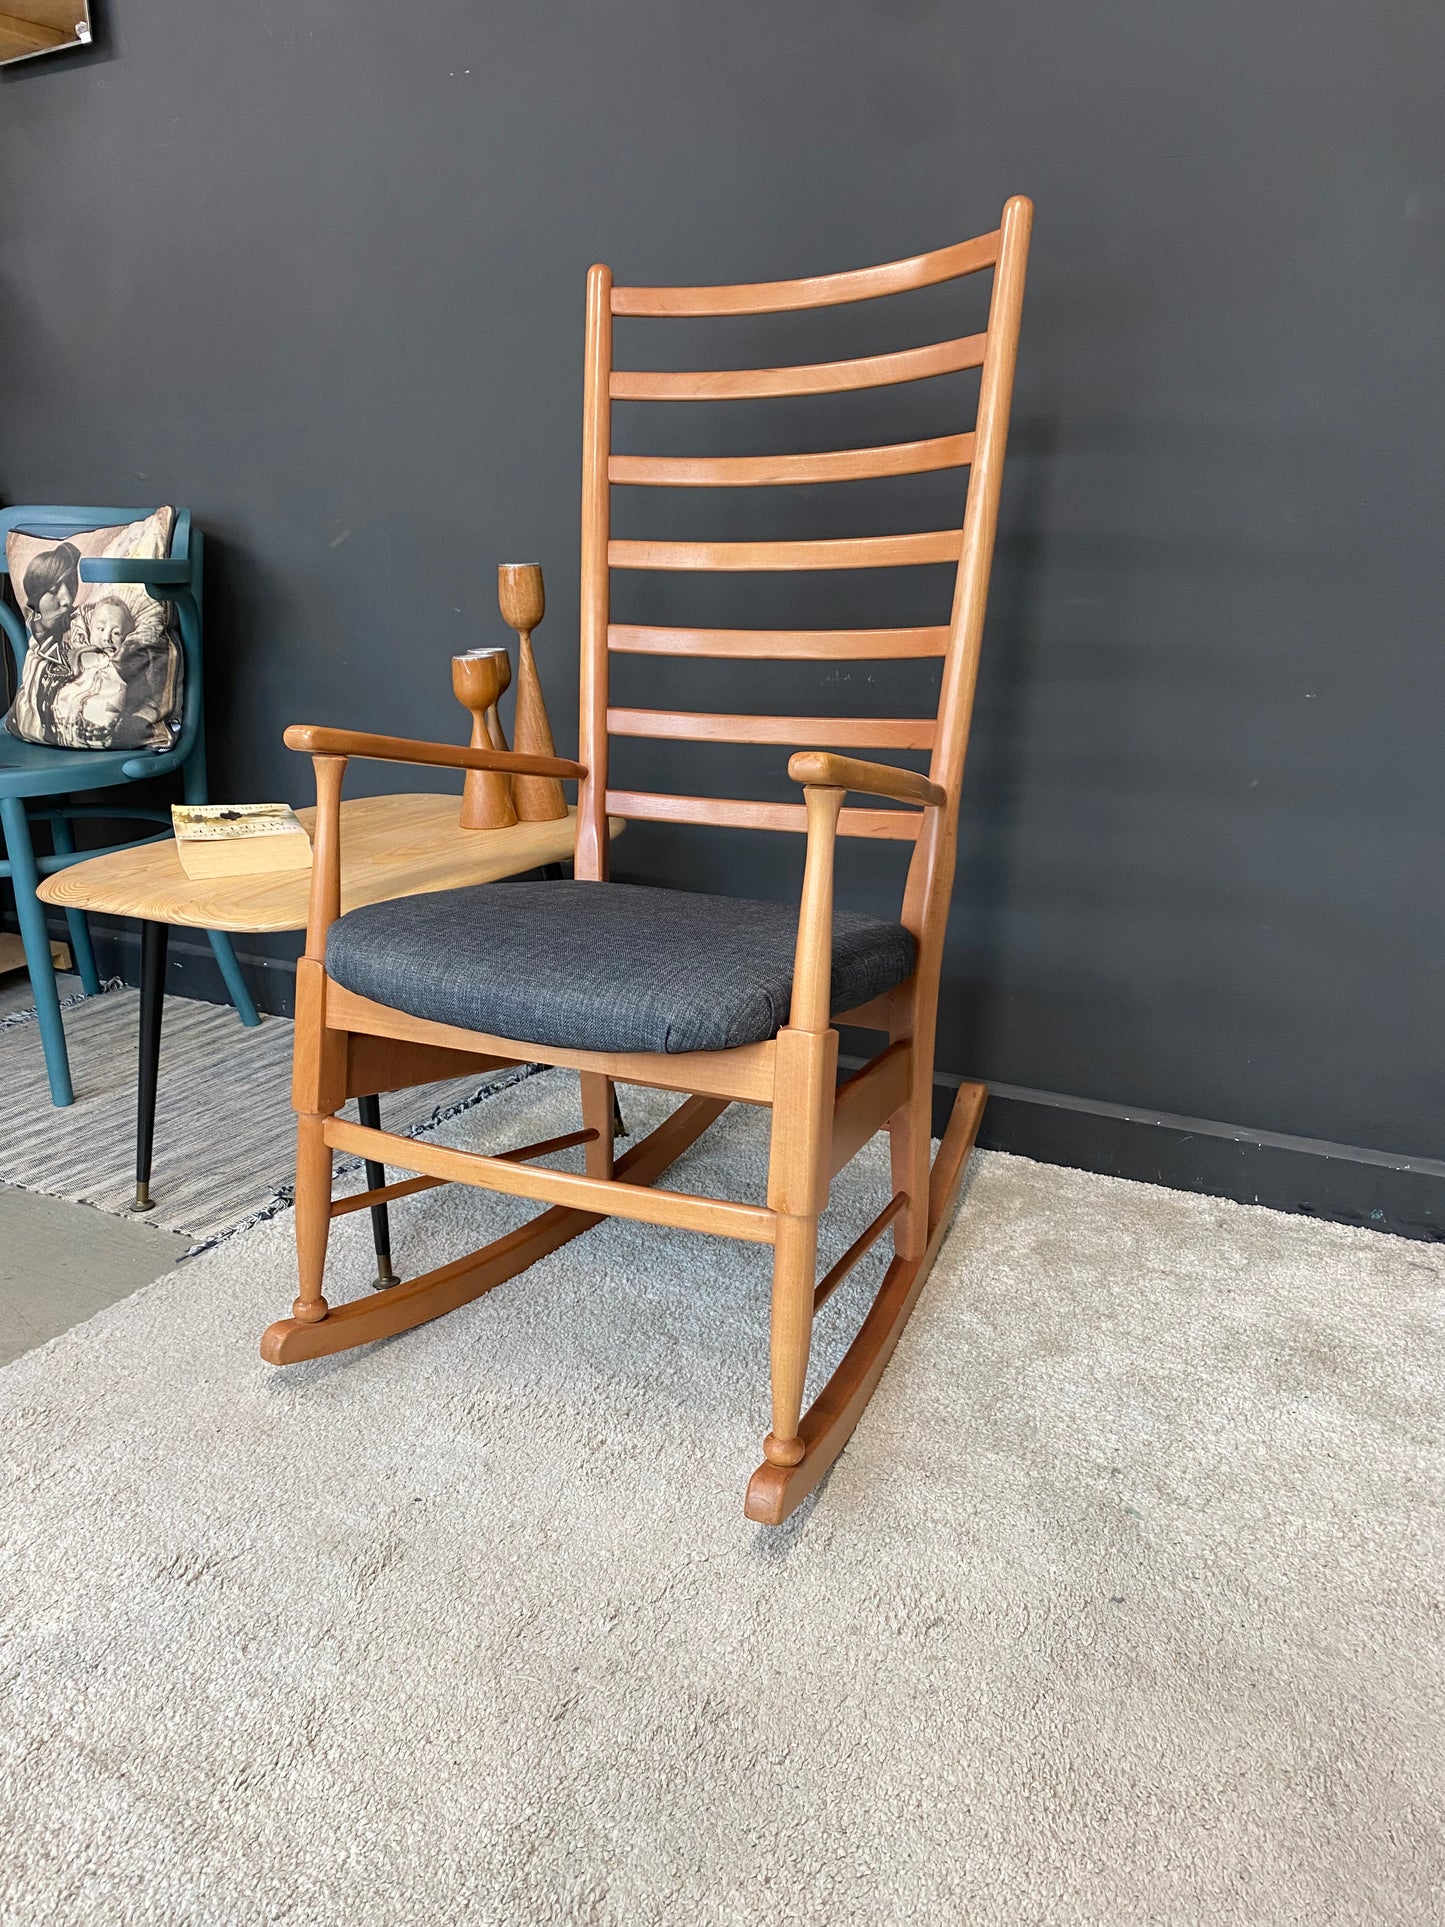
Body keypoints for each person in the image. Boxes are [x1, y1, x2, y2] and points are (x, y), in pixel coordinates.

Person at [6, 541, 84, 739]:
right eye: (54, 590)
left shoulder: (84, 626)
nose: (67, 600)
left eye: (71, 585)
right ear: (34, 599)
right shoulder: (37, 647)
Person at [49, 596, 134, 747]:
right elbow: (70, 662)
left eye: (116, 633)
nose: (106, 638)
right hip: (73, 704)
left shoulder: (124, 661)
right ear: (90, 630)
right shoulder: (83, 653)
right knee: (65, 696)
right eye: (100, 629)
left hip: (103, 711)